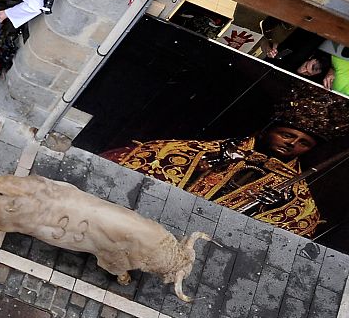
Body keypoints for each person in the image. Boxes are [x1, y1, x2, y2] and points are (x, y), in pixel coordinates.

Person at [102, 87, 349, 238]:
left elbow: (290, 225)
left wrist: (264, 209)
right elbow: (163, 159)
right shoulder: (217, 149)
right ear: (268, 131)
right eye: (287, 135)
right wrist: (204, 167)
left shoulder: (294, 195)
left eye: (303, 143)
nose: (292, 144)